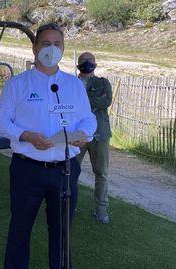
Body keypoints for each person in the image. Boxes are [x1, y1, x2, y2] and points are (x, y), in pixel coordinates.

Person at [0, 23, 97, 269]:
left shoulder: (74, 85)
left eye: (57, 44)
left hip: (65, 169)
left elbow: (88, 117)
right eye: (46, 44)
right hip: (27, 169)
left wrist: (85, 133)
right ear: (35, 48)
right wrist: (26, 135)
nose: (52, 49)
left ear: (64, 48)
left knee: (62, 233)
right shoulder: (17, 84)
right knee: (20, 229)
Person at [76, 52, 113, 224]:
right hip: (77, 134)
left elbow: (106, 102)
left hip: (100, 135)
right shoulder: (72, 84)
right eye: (83, 61)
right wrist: (94, 100)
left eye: (90, 61)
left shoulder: (103, 83)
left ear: (95, 64)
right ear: (78, 65)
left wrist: (82, 101)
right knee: (70, 171)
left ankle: (101, 210)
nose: (87, 63)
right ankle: (70, 204)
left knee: (101, 174)